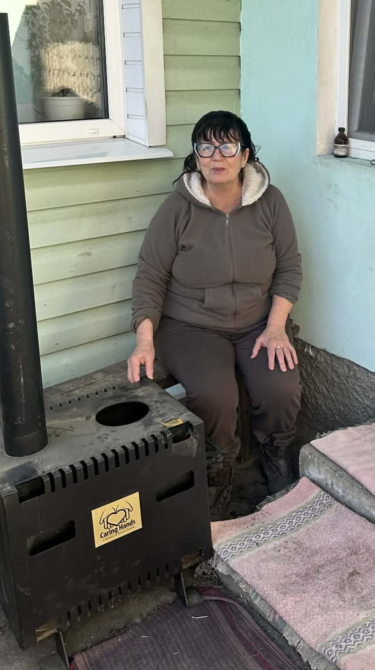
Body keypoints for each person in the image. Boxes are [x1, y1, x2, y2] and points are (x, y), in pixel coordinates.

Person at [127, 111, 302, 515]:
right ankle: (220, 468)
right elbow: (150, 275)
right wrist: (144, 339)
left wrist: (276, 327)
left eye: (227, 146)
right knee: (215, 397)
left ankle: (275, 455)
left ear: (245, 156)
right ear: (196, 156)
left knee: (281, 390)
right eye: (205, 147)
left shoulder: (271, 202)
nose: (216, 156)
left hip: (258, 323)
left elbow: (290, 267)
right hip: (192, 327)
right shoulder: (177, 208)